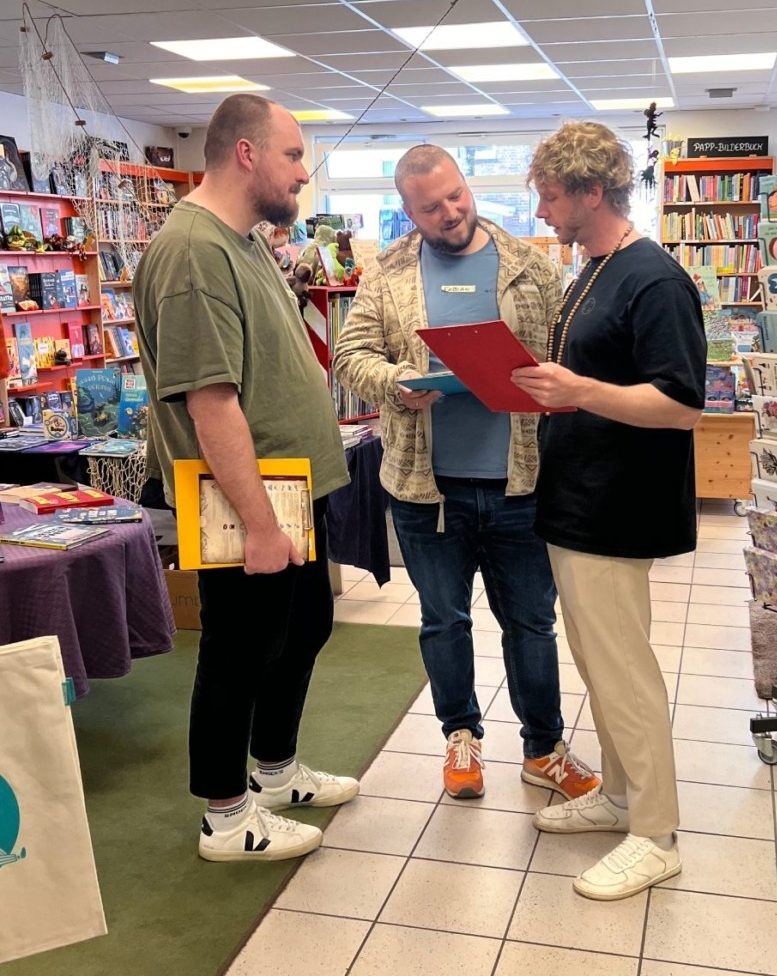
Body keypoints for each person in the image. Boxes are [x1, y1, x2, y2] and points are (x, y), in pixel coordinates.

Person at [333, 145, 598, 802]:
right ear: (408, 210)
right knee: (443, 621)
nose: (449, 212)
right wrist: (396, 382)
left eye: (455, 196)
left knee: (531, 624)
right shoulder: (388, 273)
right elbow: (350, 354)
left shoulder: (531, 268)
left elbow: (567, 356)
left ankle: (543, 748)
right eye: (431, 206)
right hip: (425, 489)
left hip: (519, 483)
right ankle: (461, 740)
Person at [133, 94, 358, 863]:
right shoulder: (194, 251)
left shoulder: (244, 240)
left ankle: (276, 771)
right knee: (239, 649)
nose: (304, 174)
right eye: (294, 156)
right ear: (246, 154)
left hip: (292, 487)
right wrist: (259, 524)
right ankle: (226, 819)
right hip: (248, 502)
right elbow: (211, 403)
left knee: (300, 632)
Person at [511, 121, 705, 901]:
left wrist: (579, 391)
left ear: (594, 191)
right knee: (598, 662)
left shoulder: (652, 279)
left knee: (623, 670)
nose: (542, 212)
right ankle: (622, 797)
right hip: (576, 498)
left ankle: (654, 833)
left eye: (551, 196)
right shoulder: (590, 268)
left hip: (619, 507)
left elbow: (681, 403)